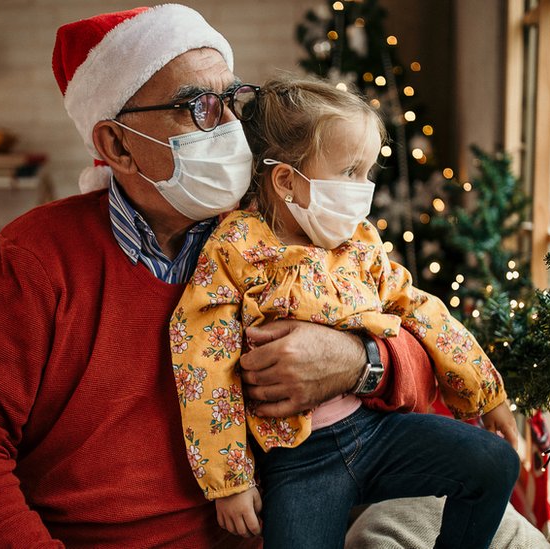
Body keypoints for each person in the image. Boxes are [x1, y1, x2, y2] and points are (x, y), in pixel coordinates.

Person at [0, 6, 480, 548]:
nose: (233, 127)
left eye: (233, 100)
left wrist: (360, 363)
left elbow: (419, 340)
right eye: (200, 106)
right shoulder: (36, 256)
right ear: (117, 144)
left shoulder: (271, 238)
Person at [170, 76, 520, 549]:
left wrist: (486, 393)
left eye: (369, 172)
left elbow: (419, 308)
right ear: (288, 181)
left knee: (494, 463)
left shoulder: (359, 244)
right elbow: (203, 361)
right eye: (351, 171)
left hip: (376, 432)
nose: (364, 188)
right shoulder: (237, 249)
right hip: (299, 461)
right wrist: (229, 480)